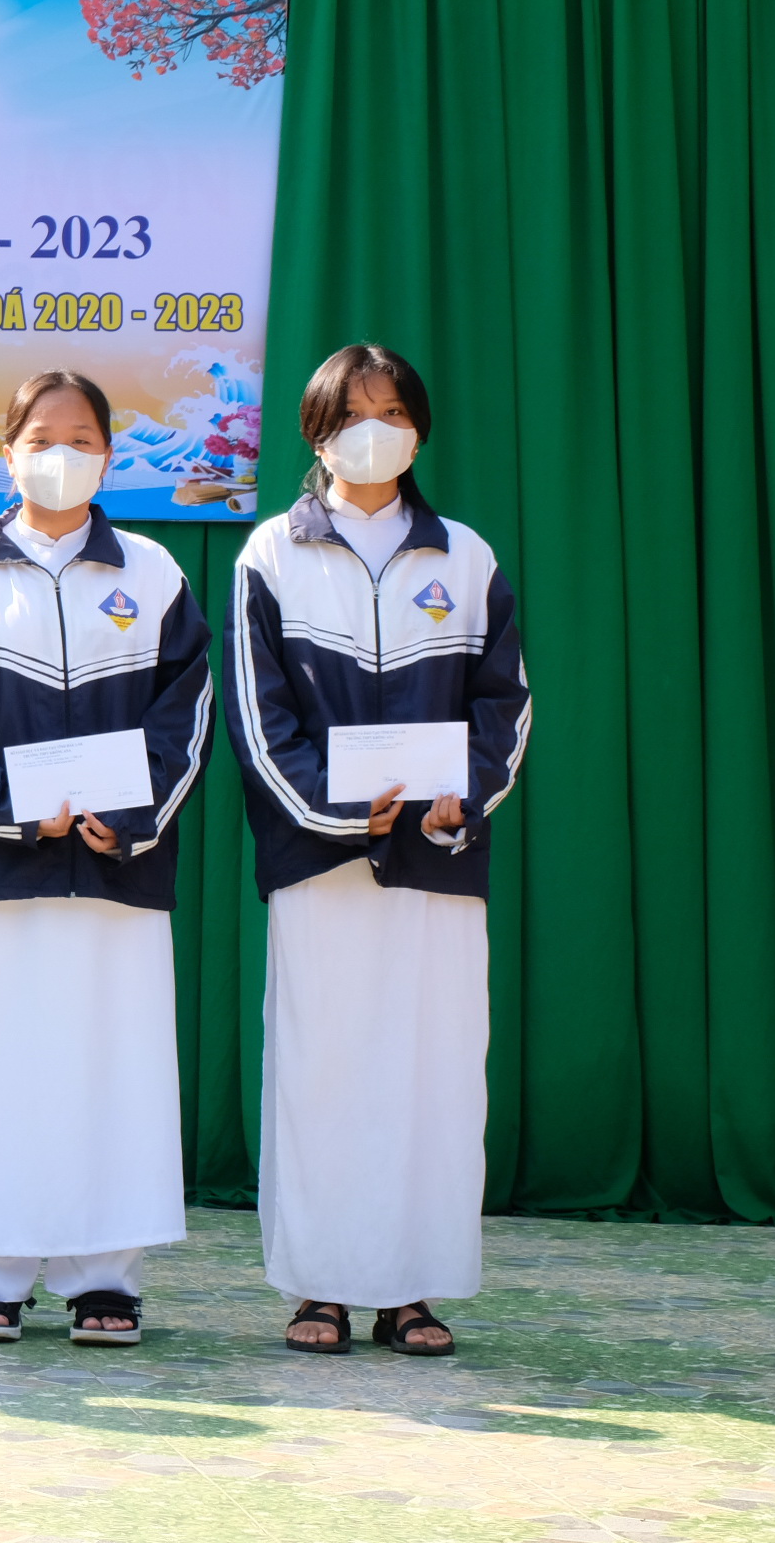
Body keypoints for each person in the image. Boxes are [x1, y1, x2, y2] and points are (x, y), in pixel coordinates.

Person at [0, 370, 213, 1345]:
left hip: (117, 871)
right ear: (7, 453)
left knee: (112, 1072)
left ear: (109, 454)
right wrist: (9, 812)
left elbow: (187, 712)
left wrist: (132, 816)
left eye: (80, 438)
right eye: (39, 438)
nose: (59, 455)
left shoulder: (154, 574)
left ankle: (103, 1276)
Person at [229, 343, 530, 1358]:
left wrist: (460, 800)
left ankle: (411, 1290)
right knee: (321, 1070)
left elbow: (505, 706)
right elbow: (259, 718)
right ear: (316, 432)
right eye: (354, 413)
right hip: (319, 861)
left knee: (430, 1075)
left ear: (419, 430)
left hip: (437, 859)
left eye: (394, 412)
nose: (376, 430)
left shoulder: (466, 556)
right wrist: (336, 812)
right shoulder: (270, 553)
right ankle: (318, 1287)